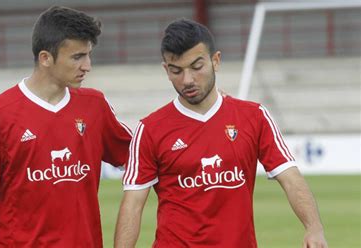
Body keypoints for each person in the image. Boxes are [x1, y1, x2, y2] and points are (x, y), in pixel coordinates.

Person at [114, 19, 328, 248]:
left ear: (215, 61)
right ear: (166, 70)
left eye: (197, 67)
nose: (187, 80)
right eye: (176, 71)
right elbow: (133, 204)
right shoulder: (150, 129)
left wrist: (313, 228)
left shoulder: (253, 117)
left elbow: (290, 177)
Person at [0, 6, 132, 248]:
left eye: (88, 55)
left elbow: (141, 158)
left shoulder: (95, 105)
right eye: (77, 57)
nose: (87, 65)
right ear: (45, 58)